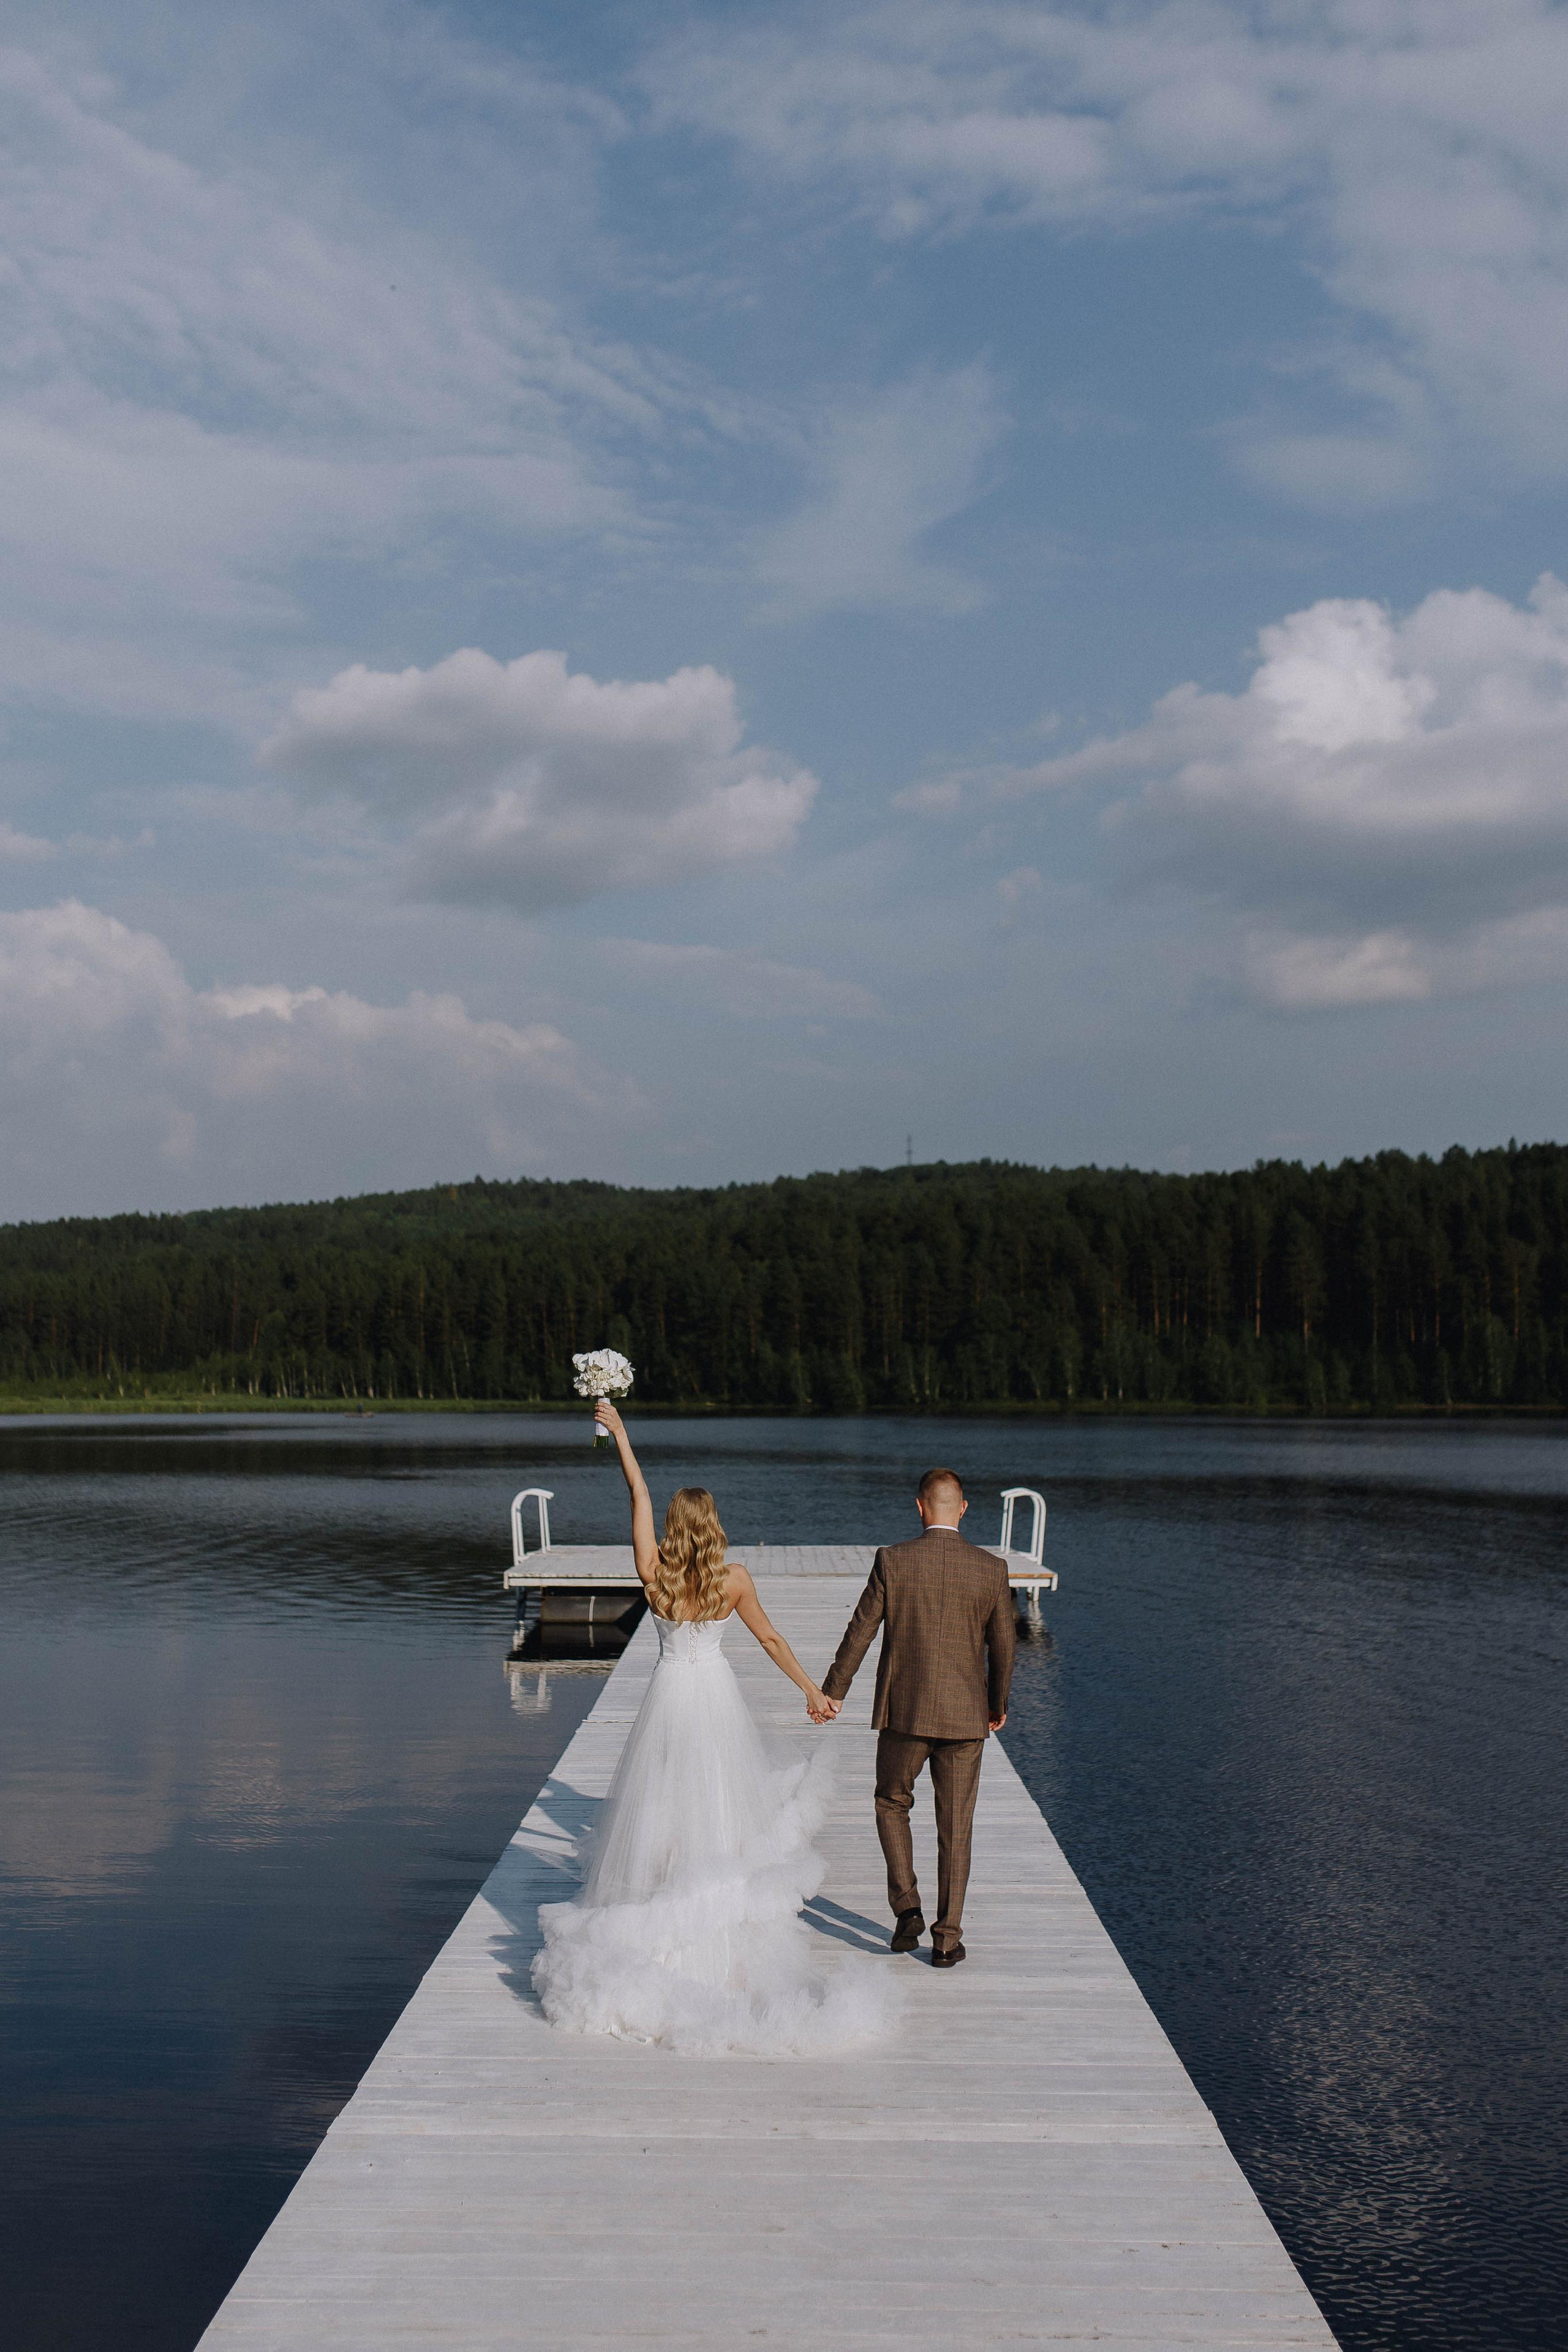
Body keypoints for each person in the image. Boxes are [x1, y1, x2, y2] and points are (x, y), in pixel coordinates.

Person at [532, 1401, 894, 2054]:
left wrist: (620, 1435)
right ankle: (719, 1933)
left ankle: (662, 1910)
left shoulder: (654, 1575)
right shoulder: (734, 1579)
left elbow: (636, 1489)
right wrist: (814, 1690)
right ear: (715, 1526)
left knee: (663, 1805)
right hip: (713, 1694)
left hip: (670, 1694)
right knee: (721, 1807)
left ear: (674, 1528)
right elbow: (772, 1639)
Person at [816, 1467, 1014, 1970]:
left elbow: (860, 1630)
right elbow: (1004, 1648)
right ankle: (947, 1941)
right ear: (963, 1509)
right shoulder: (991, 1570)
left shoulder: (893, 1560)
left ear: (920, 1507)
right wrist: (998, 1703)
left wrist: (833, 1690)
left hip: (904, 1711)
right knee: (957, 1827)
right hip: (967, 1718)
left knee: (891, 1802)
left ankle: (907, 1908)